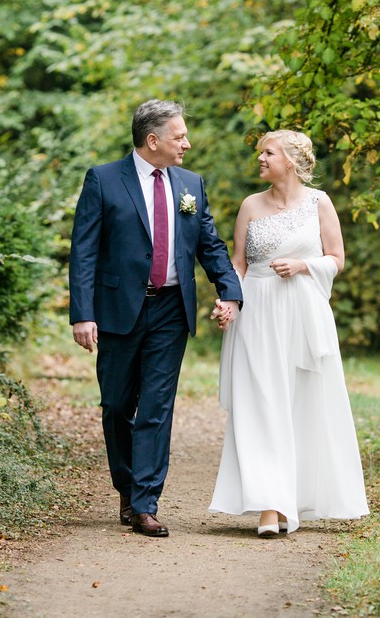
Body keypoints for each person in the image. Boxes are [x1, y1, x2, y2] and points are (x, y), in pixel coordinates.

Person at [69, 99, 242, 538]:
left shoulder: (191, 184)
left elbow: (210, 244)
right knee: (116, 405)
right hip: (117, 311)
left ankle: (146, 502)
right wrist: (82, 314)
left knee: (157, 406)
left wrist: (231, 291)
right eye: (179, 135)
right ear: (153, 140)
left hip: (170, 308)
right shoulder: (104, 180)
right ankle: (126, 489)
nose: (187, 143)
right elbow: (84, 251)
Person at [208, 129, 369, 537]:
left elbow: (337, 258)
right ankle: (269, 504)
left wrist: (303, 266)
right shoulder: (249, 205)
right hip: (257, 312)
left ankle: (293, 497)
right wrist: (229, 301)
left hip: (301, 312)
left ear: (291, 161)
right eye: (261, 152)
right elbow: (238, 264)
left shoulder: (319, 203)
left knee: (299, 402)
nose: (260, 158)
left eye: (268, 152)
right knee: (260, 403)